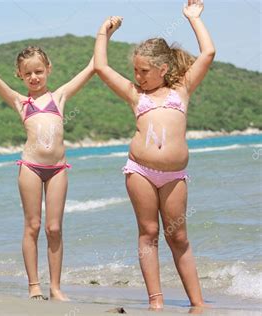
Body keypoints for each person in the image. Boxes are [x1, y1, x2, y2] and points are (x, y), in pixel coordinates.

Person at [94, 0, 215, 309]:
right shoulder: (136, 95)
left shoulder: (182, 90)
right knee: (148, 232)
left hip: (174, 175)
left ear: (163, 68)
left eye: (144, 70)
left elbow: (208, 54)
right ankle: (156, 301)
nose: (138, 76)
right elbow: (101, 68)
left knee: (179, 238)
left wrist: (193, 18)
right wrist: (102, 35)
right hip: (140, 171)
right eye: (135, 70)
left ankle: (198, 302)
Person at [0, 32, 94, 301]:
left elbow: (91, 69)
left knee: (54, 228)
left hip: (57, 169)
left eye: (39, 71)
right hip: (30, 167)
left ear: (48, 69)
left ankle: (55, 287)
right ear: (19, 74)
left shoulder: (60, 97)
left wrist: (104, 36)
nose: (34, 77)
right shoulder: (22, 102)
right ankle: (34, 285)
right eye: (27, 73)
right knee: (32, 226)